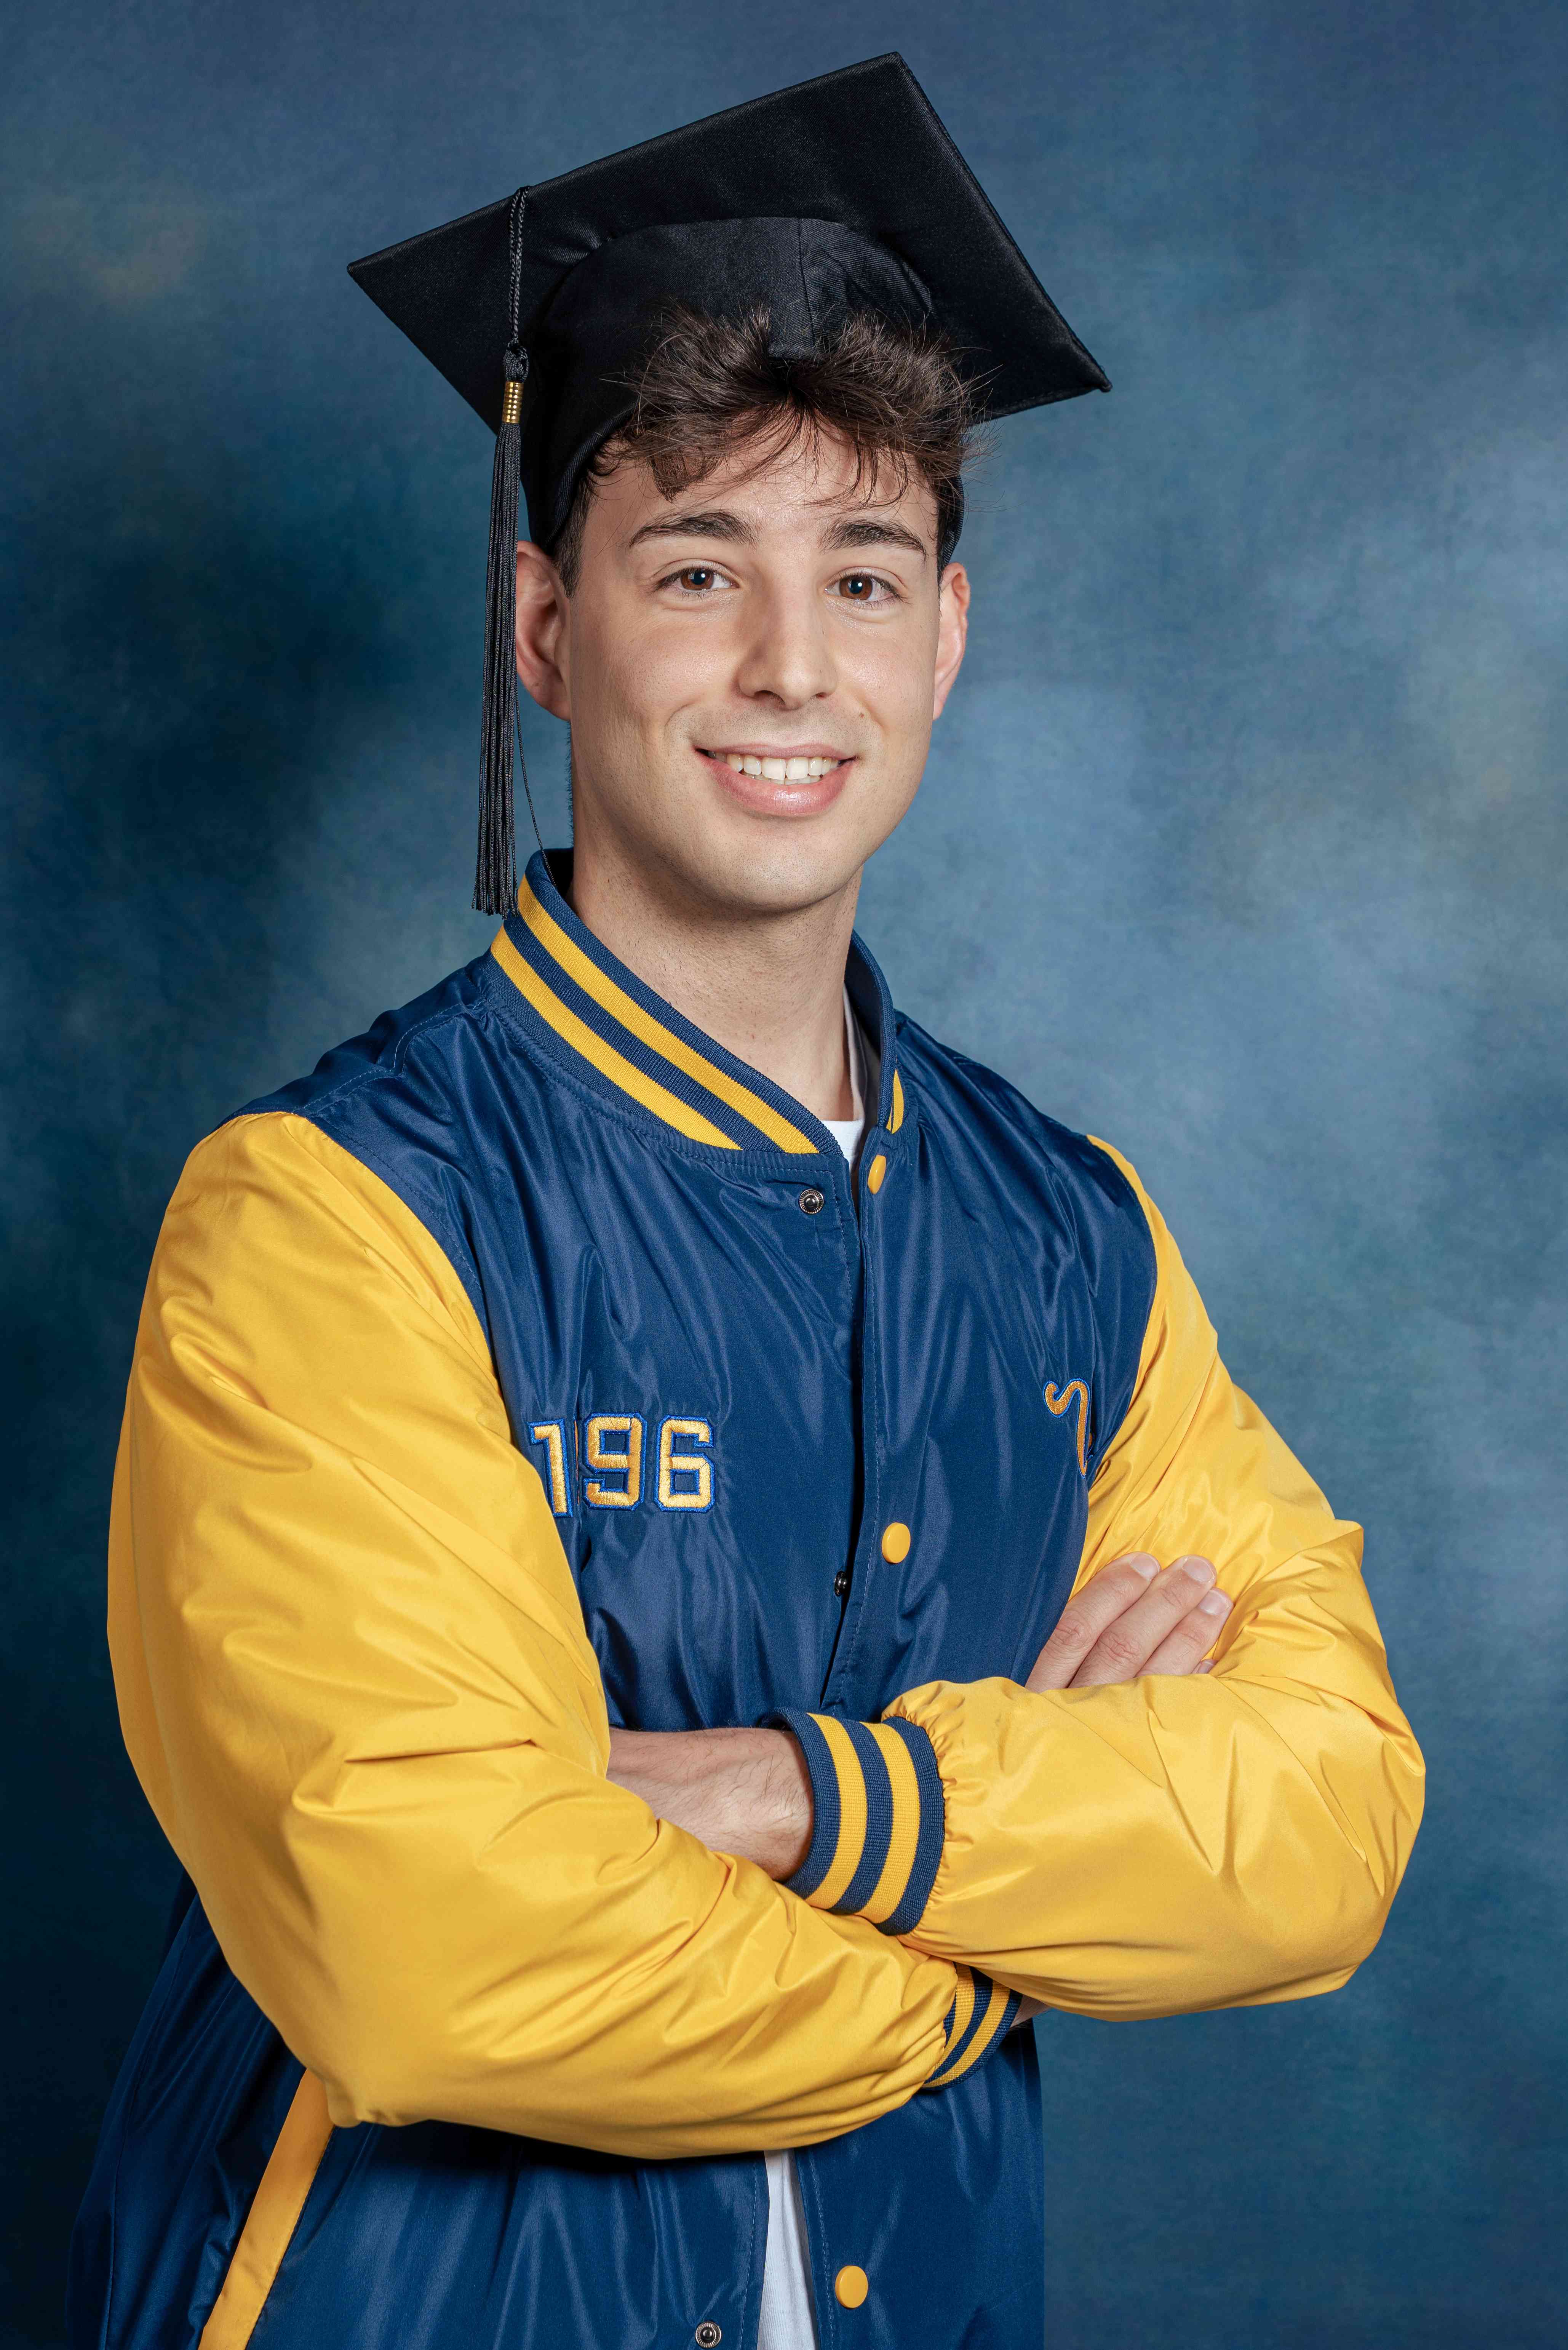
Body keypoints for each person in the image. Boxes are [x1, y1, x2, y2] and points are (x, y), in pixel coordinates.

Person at [68, 54, 1423, 2350]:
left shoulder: (1072, 1236)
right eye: (697, 568)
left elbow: (1319, 1821)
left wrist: (802, 1805)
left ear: (945, 644)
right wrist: (986, 1950)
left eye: (863, 576)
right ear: (545, 627)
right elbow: (425, 1949)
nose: (793, 665)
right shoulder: (330, 1219)